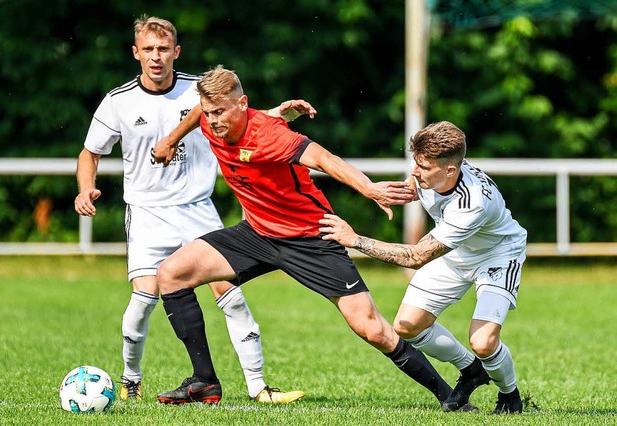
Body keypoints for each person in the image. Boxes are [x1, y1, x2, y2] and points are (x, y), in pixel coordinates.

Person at [152, 65, 473, 410]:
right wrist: (171, 139)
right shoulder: (209, 118)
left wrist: (368, 188)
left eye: (221, 112)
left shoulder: (271, 135)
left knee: (372, 329)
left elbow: (324, 158)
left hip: (311, 238)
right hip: (257, 233)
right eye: (210, 112)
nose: (213, 120)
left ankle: (449, 397)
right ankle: (203, 381)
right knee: (171, 274)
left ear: (243, 104)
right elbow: (200, 111)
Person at [74, 15, 313, 405]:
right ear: (136, 53)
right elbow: (90, 152)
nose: (156, 57)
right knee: (143, 300)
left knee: (230, 295)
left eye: (163, 49)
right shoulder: (118, 101)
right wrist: (86, 189)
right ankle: (130, 381)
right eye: (148, 49)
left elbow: (238, 114)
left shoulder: (195, 92)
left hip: (197, 209)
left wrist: (276, 113)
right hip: (147, 213)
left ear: (176, 52)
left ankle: (259, 388)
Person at [319, 120, 527, 414]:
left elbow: (415, 257)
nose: (415, 172)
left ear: (450, 170)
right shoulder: (436, 174)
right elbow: (418, 188)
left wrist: (354, 240)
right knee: (407, 325)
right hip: (456, 252)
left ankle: (510, 397)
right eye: (415, 163)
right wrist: (392, 192)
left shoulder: (472, 204)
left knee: (482, 341)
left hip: (498, 255)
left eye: (423, 167)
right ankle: (471, 370)